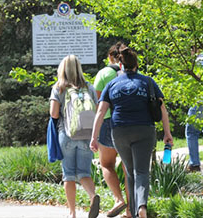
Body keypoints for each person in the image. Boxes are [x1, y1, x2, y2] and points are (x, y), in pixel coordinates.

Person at [90, 45, 173, 218]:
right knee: (142, 171)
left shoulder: (112, 84)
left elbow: (100, 111)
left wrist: (94, 137)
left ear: (121, 65)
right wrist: (167, 133)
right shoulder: (148, 81)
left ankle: (134, 212)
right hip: (145, 130)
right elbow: (162, 109)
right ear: (136, 65)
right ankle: (141, 207)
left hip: (120, 131)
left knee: (130, 170)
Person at [50, 55, 100, 218]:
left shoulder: (59, 88)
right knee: (84, 172)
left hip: (67, 135)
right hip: (87, 134)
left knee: (69, 174)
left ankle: (72, 213)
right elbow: (97, 111)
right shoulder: (89, 87)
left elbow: (54, 113)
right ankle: (93, 196)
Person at [94, 42, 130, 218]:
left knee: (106, 164)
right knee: (128, 167)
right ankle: (131, 210)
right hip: (130, 124)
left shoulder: (103, 74)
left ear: (110, 57)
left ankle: (118, 199)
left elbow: (98, 102)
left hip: (108, 122)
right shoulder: (132, 72)